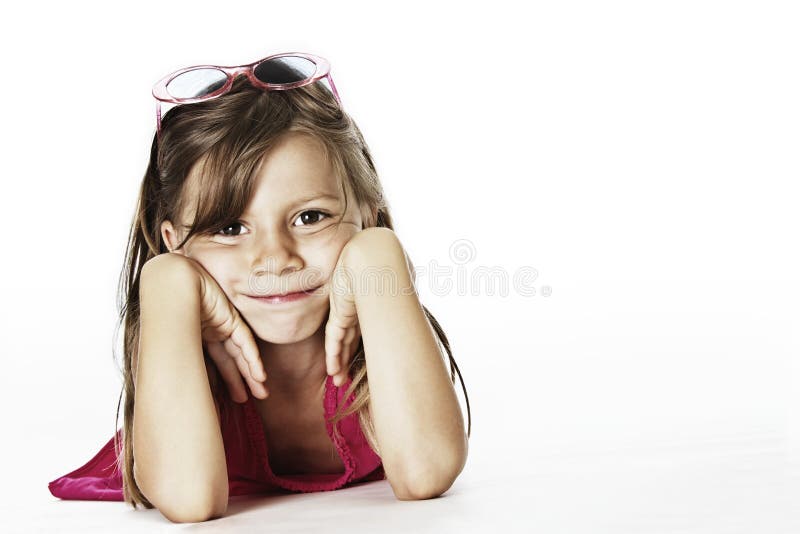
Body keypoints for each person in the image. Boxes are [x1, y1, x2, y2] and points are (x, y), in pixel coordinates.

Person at [48, 51, 471, 522]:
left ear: (367, 213)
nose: (274, 259)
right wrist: (165, 280)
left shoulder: (381, 341)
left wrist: (378, 251)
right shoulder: (181, 355)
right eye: (229, 228)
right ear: (175, 243)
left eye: (310, 217)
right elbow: (189, 502)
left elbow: (425, 472)